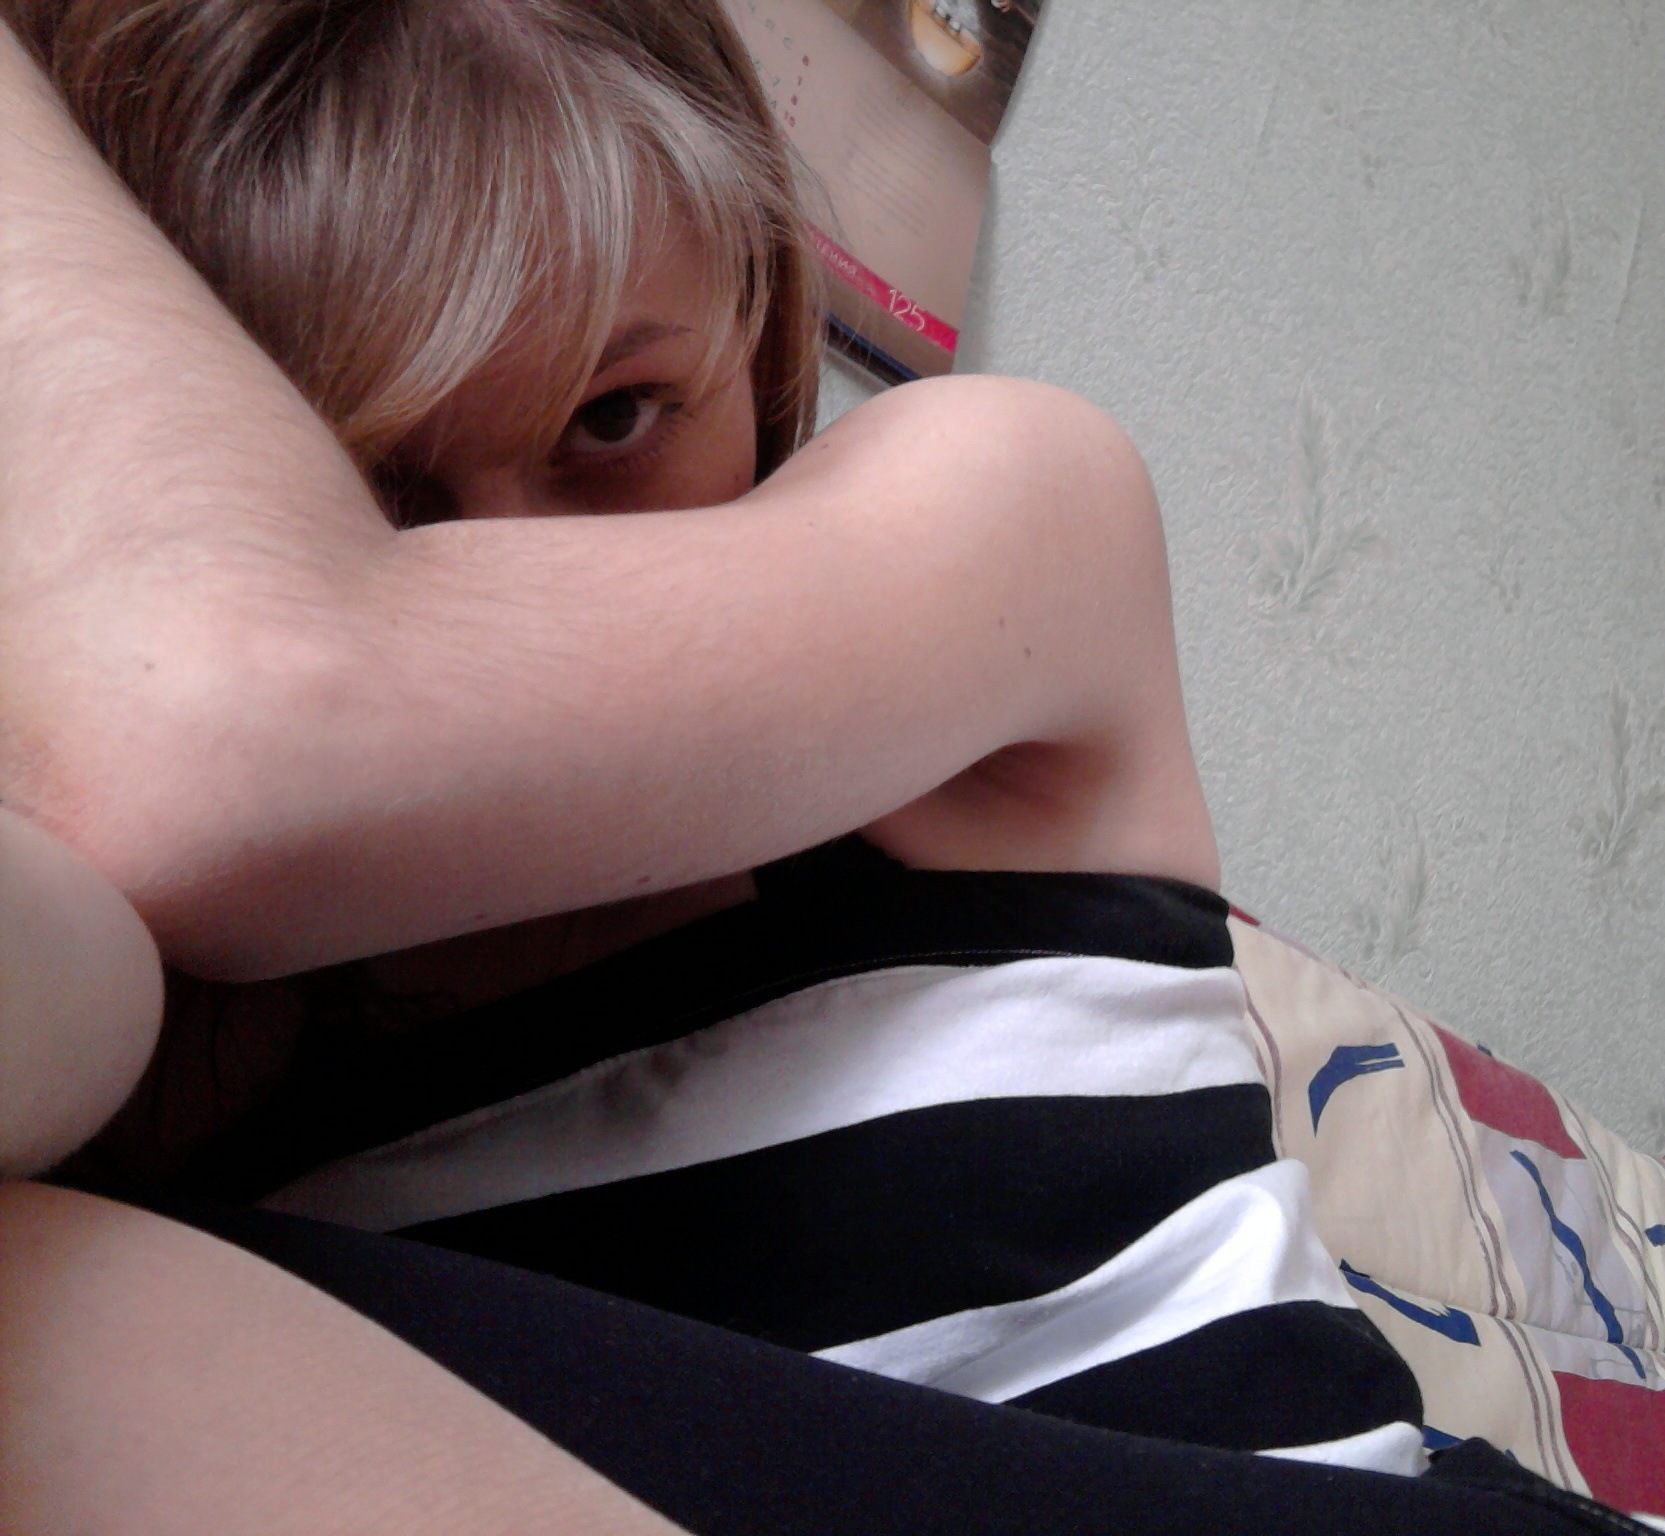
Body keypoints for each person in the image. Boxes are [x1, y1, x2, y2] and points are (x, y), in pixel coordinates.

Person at [0, 5, 1651, 1533]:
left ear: (755, 312)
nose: (531, 568)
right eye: (364, 481)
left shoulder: (1009, 508)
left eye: (617, 416)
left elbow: (226, 745)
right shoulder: (157, 979)